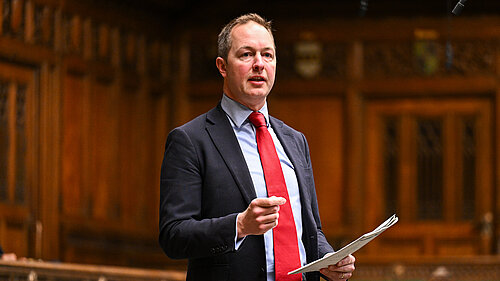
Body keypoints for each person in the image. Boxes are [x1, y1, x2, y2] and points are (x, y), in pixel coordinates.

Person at [159, 13, 355, 281]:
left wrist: (328, 260)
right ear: (222, 66)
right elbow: (174, 235)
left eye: (268, 55)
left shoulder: (295, 140)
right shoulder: (191, 140)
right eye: (246, 55)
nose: (259, 64)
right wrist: (238, 226)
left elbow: (309, 229)